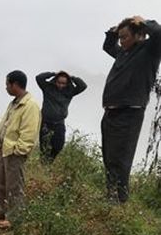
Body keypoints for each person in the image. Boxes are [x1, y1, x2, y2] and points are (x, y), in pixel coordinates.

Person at [101, 16, 161, 203]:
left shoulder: (149, 51)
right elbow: (108, 47)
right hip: (111, 112)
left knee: (121, 160)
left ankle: (120, 201)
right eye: (120, 38)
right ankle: (111, 197)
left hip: (129, 113)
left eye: (125, 37)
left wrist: (143, 22)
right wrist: (113, 32)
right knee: (109, 157)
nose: (121, 41)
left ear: (139, 35)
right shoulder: (123, 53)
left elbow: (158, 33)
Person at [0, 70, 41, 228]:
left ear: (15, 85)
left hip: (14, 152)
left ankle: (14, 218)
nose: (6, 87)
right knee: (0, 182)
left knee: (14, 185)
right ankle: (0, 211)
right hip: (4, 149)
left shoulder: (30, 105)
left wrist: (19, 150)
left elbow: (29, 132)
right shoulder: (14, 103)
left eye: (7, 84)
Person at [36, 70, 87, 162]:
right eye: (59, 82)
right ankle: (43, 165)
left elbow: (83, 86)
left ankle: (49, 161)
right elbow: (39, 78)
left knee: (59, 145)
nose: (60, 85)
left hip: (59, 123)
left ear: (67, 83)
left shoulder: (70, 92)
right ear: (55, 81)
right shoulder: (48, 88)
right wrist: (53, 74)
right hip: (46, 122)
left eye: (63, 83)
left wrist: (71, 77)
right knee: (44, 146)